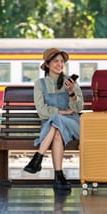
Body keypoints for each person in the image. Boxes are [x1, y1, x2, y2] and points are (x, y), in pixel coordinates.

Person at [23, 48, 84, 190]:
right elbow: (42, 111)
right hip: (51, 126)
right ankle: (59, 177)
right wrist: (63, 112)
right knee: (56, 132)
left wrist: (71, 93)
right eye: (56, 61)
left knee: (56, 120)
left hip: (73, 124)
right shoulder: (40, 84)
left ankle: (38, 158)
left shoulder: (71, 83)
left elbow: (78, 108)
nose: (60, 64)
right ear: (48, 64)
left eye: (62, 61)